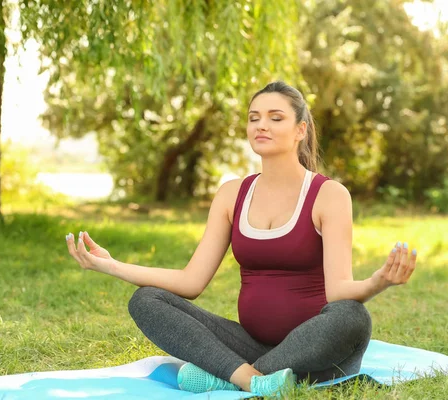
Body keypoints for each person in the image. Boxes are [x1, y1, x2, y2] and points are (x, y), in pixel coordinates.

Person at [65, 81, 418, 398]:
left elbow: (338, 291)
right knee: (146, 300)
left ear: (300, 130)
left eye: (275, 117)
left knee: (353, 317)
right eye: (254, 117)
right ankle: (251, 378)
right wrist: (113, 266)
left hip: (316, 348)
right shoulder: (232, 194)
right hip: (248, 344)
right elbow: (191, 282)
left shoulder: (329, 195)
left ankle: (229, 376)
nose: (261, 125)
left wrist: (379, 281)